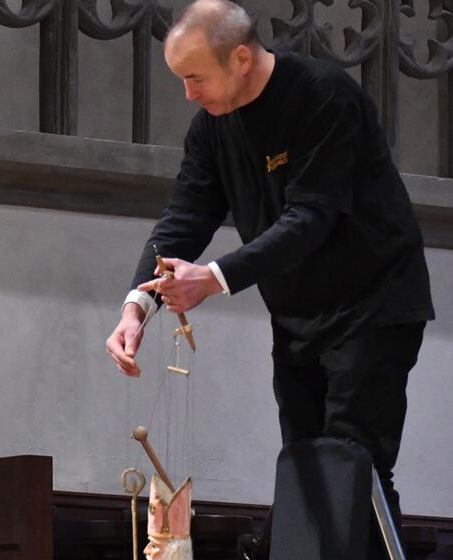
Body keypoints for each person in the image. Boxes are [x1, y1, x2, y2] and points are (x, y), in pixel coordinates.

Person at [105, 0, 432, 524]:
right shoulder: (211, 127)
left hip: (372, 306)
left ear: (240, 58)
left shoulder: (323, 96)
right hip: (298, 317)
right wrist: (137, 306)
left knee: (352, 464)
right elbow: (184, 217)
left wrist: (212, 279)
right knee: (305, 469)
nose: (189, 94)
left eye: (195, 78)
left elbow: (312, 216)